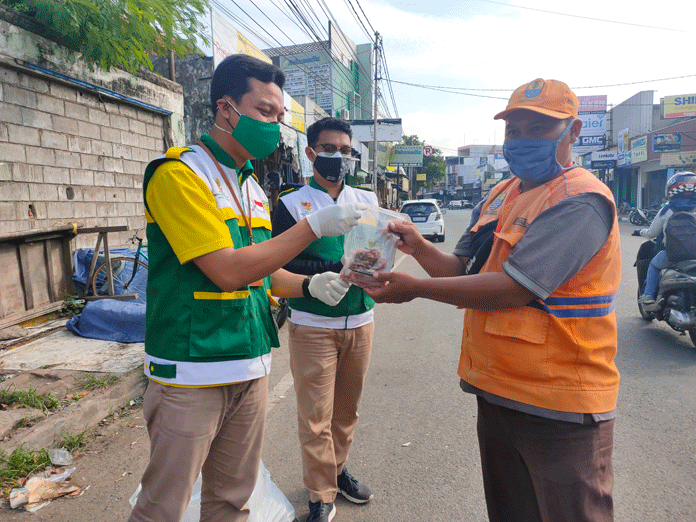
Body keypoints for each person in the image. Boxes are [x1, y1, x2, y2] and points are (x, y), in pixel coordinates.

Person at [365, 79, 621, 522]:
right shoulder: (503, 193)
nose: (521, 142)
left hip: (561, 404)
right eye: (514, 131)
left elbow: (516, 287)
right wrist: (417, 246)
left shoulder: (581, 199)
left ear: (574, 132)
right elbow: (462, 272)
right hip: (498, 393)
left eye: (538, 129)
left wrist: (415, 289)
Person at [128, 55, 367, 522]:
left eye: (279, 117)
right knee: (163, 507)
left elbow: (263, 272)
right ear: (225, 109)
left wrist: (312, 284)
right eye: (264, 112)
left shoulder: (253, 188)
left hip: (250, 362)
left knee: (233, 501)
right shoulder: (178, 175)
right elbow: (228, 270)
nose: (275, 127)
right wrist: (314, 225)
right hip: (193, 371)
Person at [271, 117, 378, 522]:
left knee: (346, 412)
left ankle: (336, 470)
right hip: (313, 324)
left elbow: (374, 250)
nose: (338, 157)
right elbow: (281, 259)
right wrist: (327, 269)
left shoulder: (366, 201)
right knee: (315, 417)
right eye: (330, 149)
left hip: (360, 320)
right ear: (311, 152)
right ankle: (320, 494)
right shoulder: (291, 204)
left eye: (346, 151)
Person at [635, 172, 696, 304]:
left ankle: (649, 295)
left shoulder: (667, 210)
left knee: (654, 265)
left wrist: (640, 232)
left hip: (672, 255)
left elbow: (652, 233)